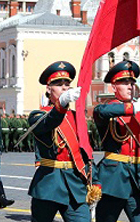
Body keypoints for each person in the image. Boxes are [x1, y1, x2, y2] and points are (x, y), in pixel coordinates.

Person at [28, 61, 100, 222]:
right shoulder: (38, 115)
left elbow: (85, 152)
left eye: (67, 84)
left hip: (75, 184)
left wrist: (95, 181)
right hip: (49, 183)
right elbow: (49, 122)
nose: (64, 87)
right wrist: (60, 105)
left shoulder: (76, 117)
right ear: (48, 88)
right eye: (58, 84)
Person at [93, 60, 140, 222]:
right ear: (114, 87)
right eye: (125, 83)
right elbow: (101, 112)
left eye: (132, 83)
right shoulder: (108, 110)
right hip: (113, 180)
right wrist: (132, 108)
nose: (130, 86)